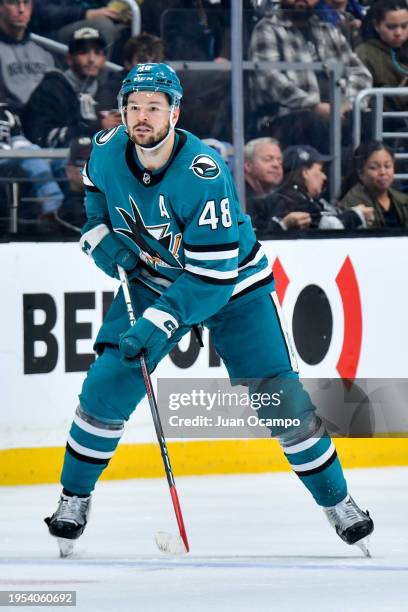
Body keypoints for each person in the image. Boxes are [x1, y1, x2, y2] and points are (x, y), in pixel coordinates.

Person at [44, 63, 374, 556]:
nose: (142, 116)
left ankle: (338, 501)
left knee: (278, 399)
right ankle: (73, 497)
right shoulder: (106, 150)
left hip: (233, 286)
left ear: (175, 112)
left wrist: (159, 323)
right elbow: (94, 202)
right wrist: (102, 243)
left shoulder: (203, 171)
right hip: (154, 279)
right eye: (134, 106)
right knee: (107, 384)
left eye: (154, 107)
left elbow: (213, 276)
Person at [248, 0, 373, 152]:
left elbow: (360, 73)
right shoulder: (267, 29)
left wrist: (346, 105)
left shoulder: (327, 29)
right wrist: (314, 106)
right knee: (316, 124)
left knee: (372, 120)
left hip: (337, 111)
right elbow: (269, 79)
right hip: (286, 116)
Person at [24, 27, 109, 149]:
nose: (91, 59)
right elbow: (42, 138)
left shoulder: (107, 92)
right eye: (83, 52)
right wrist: (96, 128)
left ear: (104, 59)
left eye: (98, 53)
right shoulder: (50, 89)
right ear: (69, 59)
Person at [266, 144, 375, 230]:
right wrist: (356, 215)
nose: (324, 177)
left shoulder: (309, 199)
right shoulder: (292, 200)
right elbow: (329, 228)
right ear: (305, 173)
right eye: (320, 170)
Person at [244, 137, 312, 231]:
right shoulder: (237, 199)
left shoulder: (283, 198)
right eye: (268, 159)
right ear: (248, 165)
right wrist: (282, 225)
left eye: (279, 161)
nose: (276, 165)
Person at [340, 140, 408, 227]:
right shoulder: (353, 203)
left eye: (387, 166)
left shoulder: (403, 200)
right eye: (374, 168)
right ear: (360, 172)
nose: (383, 172)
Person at [356, 0, 408, 113]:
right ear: (376, 25)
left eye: (404, 26)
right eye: (391, 27)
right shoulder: (364, 54)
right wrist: (400, 94)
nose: (398, 32)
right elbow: (365, 103)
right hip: (386, 123)